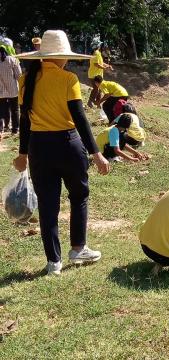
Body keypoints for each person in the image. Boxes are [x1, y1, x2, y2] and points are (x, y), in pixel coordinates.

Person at [13, 30, 110, 276]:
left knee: (47, 204)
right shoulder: (68, 79)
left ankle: (52, 262)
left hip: (38, 147)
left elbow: (25, 120)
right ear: (60, 56)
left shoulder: (26, 80)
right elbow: (79, 118)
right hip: (68, 145)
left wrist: (23, 153)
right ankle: (78, 248)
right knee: (79, 196)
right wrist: (96, 153)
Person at [0, 45, 21, 140]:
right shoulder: (13, 59)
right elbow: (18, 75)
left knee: (2, 109)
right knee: (15, 109)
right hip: (13, 89)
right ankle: (15, 129)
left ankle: (3, 127)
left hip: (1, 91)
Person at [87, 39, 113, 108]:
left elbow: (101, 63)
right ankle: (90, 102)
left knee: (100, 89)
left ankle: (98, 104)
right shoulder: (96, 53)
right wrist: (105, 68)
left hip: (97, 75)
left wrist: (107, 66)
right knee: (96, 89)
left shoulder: (97, 53)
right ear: (98, 45)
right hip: (94, 75)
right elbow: (96, 64)